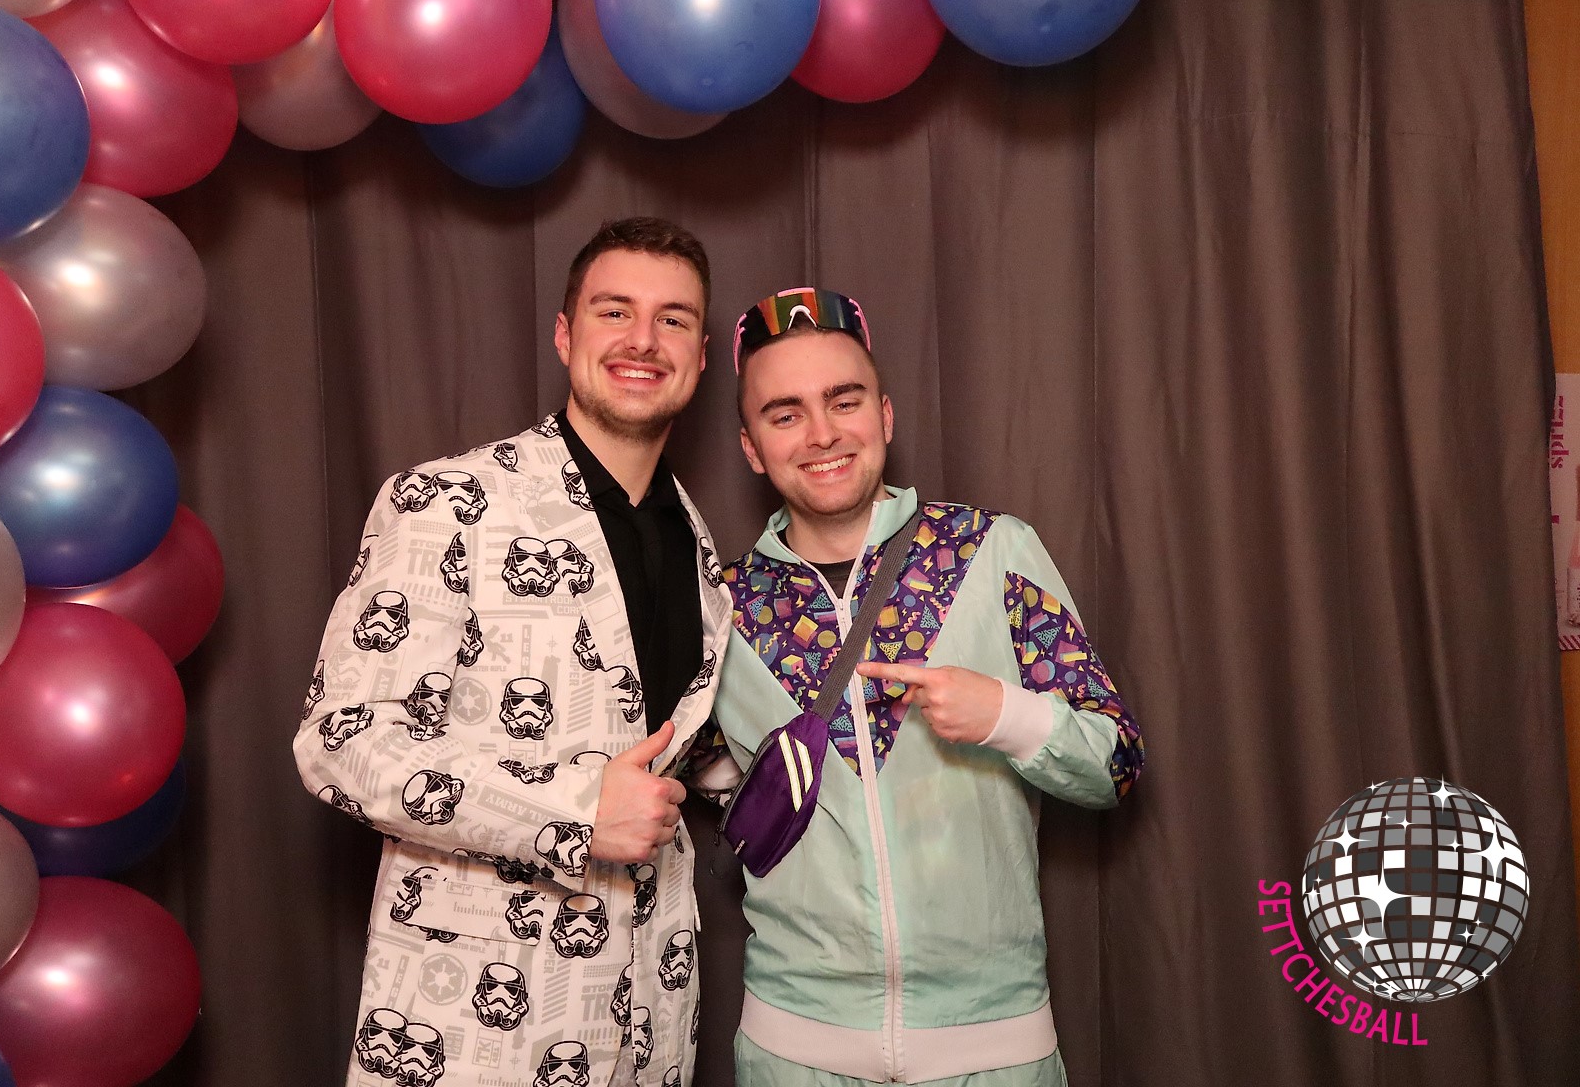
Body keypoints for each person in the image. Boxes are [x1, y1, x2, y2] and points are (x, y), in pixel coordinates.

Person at [295, 217, 733, 1087]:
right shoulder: (448, 500)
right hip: (472, 1025)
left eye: (673, 319)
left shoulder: (694, 539)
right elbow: (340, 741)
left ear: (701, 354)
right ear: (566, 334)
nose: (643, 340)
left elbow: (671, 750)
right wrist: (575, 807)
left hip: (652, 1013)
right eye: (615, 311)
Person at [708, 287, 1145, 1087]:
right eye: (785, 414)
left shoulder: (991, 549)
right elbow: (693, 776)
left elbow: (1114, 761)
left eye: (844, 401)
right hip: (792, 1050)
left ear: (885, 416)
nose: (822, 433)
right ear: (751, 447)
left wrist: (1004, 714)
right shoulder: (722, 606)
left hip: (992, 1045)